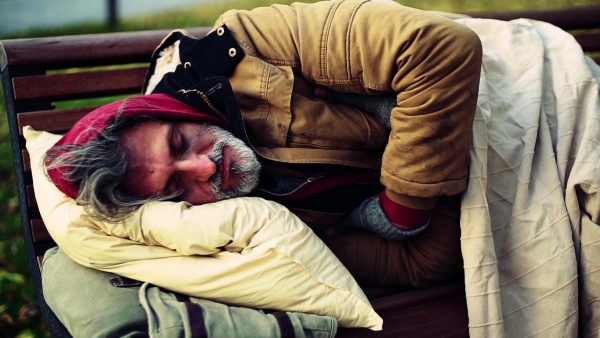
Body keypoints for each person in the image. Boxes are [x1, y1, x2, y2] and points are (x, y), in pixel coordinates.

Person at [45, 0, 482, 289]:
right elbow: (428, 262)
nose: (205, 169)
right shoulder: (237, 232)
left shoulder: (245, 45)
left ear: (172, 110)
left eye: (180, 143)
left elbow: (442, 49)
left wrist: (401, 210)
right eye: (176, 189)